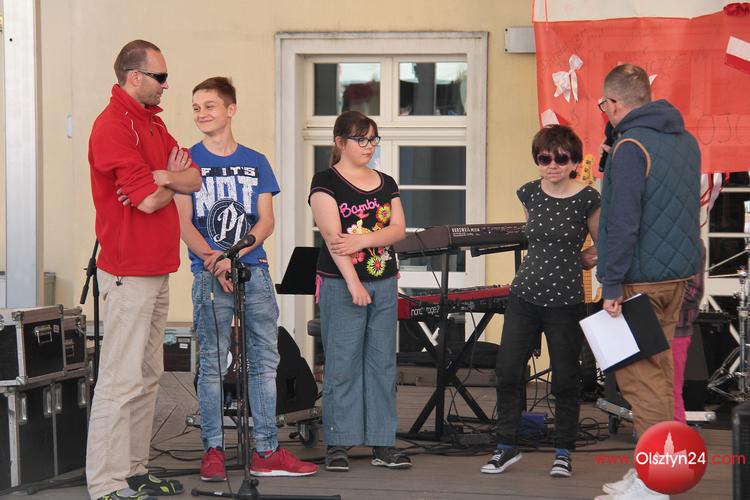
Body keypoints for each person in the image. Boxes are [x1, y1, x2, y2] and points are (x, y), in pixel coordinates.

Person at [174, 77, 317, 480]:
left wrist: (233, 256)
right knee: (213, 363)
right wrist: (215, 261)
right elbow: (183, 223)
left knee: (264, 361)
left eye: (210, 106)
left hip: (254, 271)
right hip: (208, 274)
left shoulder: (256, 162)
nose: (201, 113)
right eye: (196, 107)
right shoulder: (186, 161)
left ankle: (267, 450)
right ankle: (213, 450)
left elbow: (266, 221)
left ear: (231, 109)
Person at [87, 40, 201, 500]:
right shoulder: (112, 126)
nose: (166, 85)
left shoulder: (153, 122)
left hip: (157, 269)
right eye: (160, 77)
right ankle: (107, 483)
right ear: (135, 76)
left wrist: (164, 176)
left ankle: (134, 471)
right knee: (119, 380)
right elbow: (150, 202)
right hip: (127, 271)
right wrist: (165, 182)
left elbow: (194, 178)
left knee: (147, 376)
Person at [594, 64, 702, 500]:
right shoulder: (685, 140)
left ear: (614, 102)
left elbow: (623, 222)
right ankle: (648, 468)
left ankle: (656, 480)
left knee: (642, 380)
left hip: (639, 281)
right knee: (659, 373)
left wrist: (611, 284)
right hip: (677, 276)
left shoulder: (631, 147)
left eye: (604, 104)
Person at [480, 125, 600, 478]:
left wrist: (588, 257)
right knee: (508, 371)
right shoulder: (529, 193)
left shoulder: (588, 198)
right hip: (524, 296)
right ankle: (506, 446)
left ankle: (563, 451)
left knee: (565, 378)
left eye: (561, 158)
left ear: (574, 161)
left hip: (566, 301)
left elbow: (605, 240)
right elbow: (536, 236)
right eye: (544, 158)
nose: (552, 165)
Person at [308, 110, 410, 472]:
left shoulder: (386, 182)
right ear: (340, 142)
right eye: (361, 139)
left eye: (372, 139)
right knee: (343, 363)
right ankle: (339, 441)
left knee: (382, 363)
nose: (369, 146)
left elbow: (398, 230)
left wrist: (363, 240)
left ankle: (383, 443)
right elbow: (334, 239)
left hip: (383, 279)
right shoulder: (326, 181)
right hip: (341, 283)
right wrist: (353, 283)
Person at [673, 244, 705, 424]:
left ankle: (675, 435)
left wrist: (661, 304)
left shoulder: (694, 245)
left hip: (678, 327)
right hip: (654, 325)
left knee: (672, 391)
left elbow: (693, 293)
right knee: (649, 390)